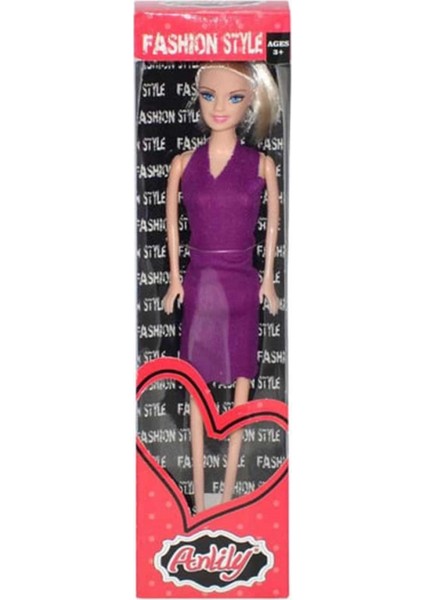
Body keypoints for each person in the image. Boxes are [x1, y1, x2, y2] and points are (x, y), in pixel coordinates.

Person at [162, 62, 281, 513]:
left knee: (241, 391)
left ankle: (229, 499)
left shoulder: (261, 165)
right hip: (199, 283)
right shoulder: (183, 164)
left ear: (251, 102)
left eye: (234, 97)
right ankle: (197, 498)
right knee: (196, 388)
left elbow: (273, 229)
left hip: (242, 286)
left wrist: (268, 280)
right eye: (209, 95)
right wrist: (174, 279)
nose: (219, 107)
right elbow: (172, 227)